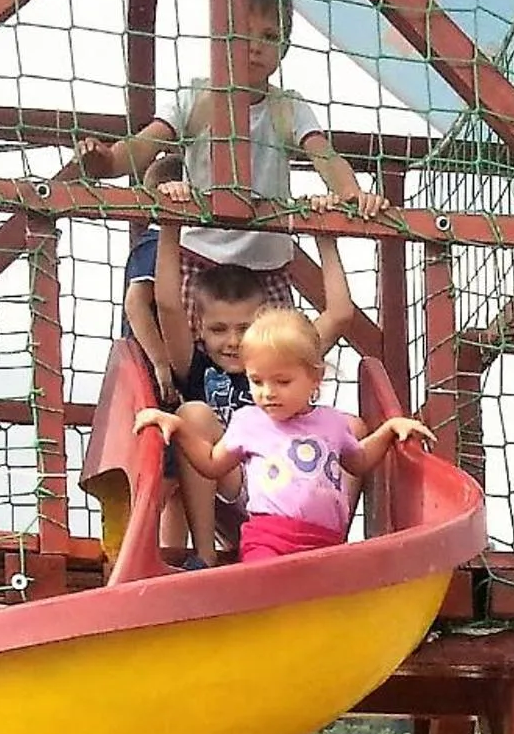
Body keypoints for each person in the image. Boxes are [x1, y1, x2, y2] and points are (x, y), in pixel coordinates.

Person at [75, 0, 385, 322]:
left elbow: (324, 155)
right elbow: (146, 145)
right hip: (200, 254)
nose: (255, 47)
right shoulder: (196, 97)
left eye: (269, 36)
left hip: (266, 263)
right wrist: (108, 161)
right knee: (195, 365)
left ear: (284, 48)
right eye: (243, 34)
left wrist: (352, 193)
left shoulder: (287, 106)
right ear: (221, 37)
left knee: (275, 360)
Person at [137, 305, 432, 564]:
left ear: (315, 378)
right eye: (257, 380)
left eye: (282, 381)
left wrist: (390, 429)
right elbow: (212, 464)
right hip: (268, 537)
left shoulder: (332, 423)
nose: (267, 392)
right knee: (263, 582)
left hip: (323, 541)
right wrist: (179, 429)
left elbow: (360, 460)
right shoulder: (249, 421)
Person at [138, 223, 357, 567]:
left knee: (352, 427)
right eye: (218, 329)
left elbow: (341, 314)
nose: (232, 341)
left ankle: (332, 541)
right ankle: (205, 554)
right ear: (201, 328)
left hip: (291, 479)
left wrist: (324, 237)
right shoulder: (194, 362)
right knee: (193, 413)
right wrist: (169, 226)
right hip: (233, 479)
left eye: (244, 328)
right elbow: (167, 305)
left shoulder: (278, 355)